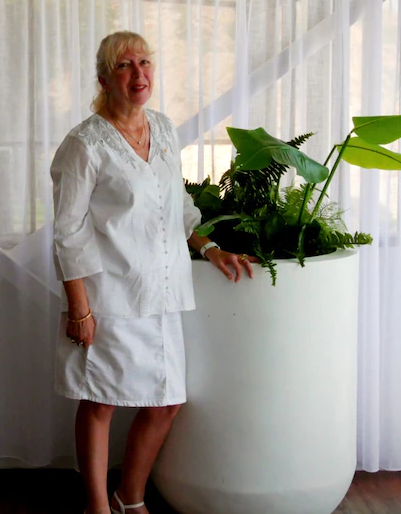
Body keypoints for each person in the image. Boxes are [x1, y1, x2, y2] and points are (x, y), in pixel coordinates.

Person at [50, 31, 254, 514]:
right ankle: (98, 507)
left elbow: (176, 205)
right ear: (104, 78)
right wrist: (79, 309)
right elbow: (67, 232)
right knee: (99, 401)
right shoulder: (84, 144)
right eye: (124, 66)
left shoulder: (162, 129)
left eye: (145, 62)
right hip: (110, 296)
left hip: (164, 293)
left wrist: (209, 247)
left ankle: (130, 497)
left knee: (165, 402)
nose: (138, 74)